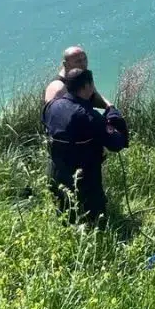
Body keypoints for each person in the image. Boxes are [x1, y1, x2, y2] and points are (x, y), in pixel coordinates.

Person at [43, 68, 128, 225]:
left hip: (57, 174)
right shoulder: (88, 116)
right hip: (85, 181)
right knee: (97, 221)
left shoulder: (52, 106)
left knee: (66, 219)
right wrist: (111, 109)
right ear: (88, 86)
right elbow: (117, 143)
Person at [43, 46, 109, 108]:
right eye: (78, 61)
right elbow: (54, 114)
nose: (84, 64)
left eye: (85, 59)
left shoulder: (83, 76)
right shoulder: (58, 87)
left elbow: (94, 97)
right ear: (66, 64)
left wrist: (111, 108)